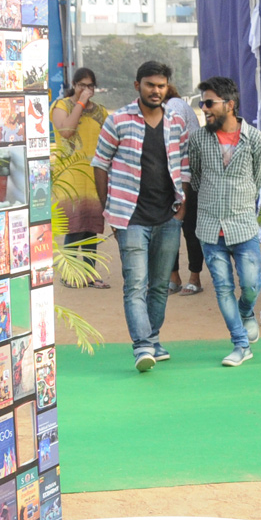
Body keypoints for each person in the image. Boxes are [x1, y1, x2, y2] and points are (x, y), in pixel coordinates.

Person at [92, 60, 189, 372]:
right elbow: (100, 163)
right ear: (138, 86)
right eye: (150, 85)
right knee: (136, 283)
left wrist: (181, 208)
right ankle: (143, 346)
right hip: (130, 217)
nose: (156, 91)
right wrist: (109, 207)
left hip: (167, 218)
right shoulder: (118, 120)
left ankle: (153, 339)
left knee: (160, 285)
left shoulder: (176, 122)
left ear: (167, 88)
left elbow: (183, 165)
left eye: (161, 86)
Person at [189, 76, 261, 367]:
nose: (205, 109)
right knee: (222, 287)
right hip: (210, 227)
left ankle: (246, 311)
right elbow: (196, 179)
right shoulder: (198, 139)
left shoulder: (256, 140)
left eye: (209, 103)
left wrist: (238, 198)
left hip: (244, 225)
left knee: (250, 285)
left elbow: (259, 178)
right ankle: (240, 343)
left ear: (230, 104)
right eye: (202, 104)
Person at [50, 67, 111, 289]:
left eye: (90, 86)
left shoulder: (101, 112)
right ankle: (69, 273)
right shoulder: (61, 106)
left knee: (91, 226)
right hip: (71, 175)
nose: (86, 89)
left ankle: (90, 273)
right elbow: (66, 130)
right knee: (75, 226)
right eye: (82, 85)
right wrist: (81, 103)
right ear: (74, 86)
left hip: (94, 174)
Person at [164, 82, 205, 295]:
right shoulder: (168, 106)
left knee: (188, 228)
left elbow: (175, 146)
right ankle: (175, 277)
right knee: (169, 229)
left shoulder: (174, 107)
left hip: (188, 176)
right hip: (171, 177)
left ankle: (194, 278)